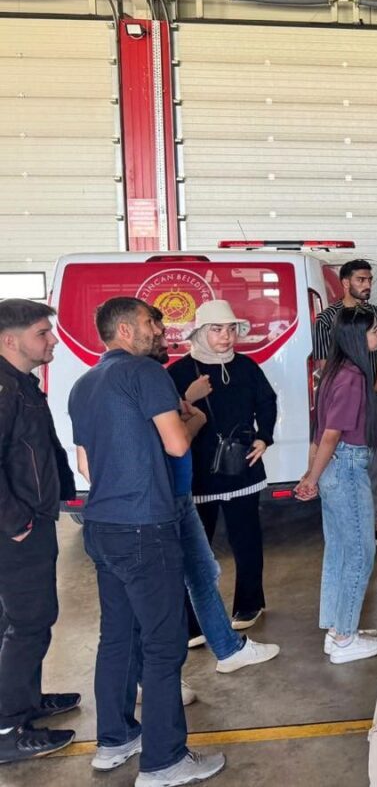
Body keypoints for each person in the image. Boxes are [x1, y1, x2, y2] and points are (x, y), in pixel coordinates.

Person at [69, 297, 224, 784]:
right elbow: (177, 443)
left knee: (118, 637)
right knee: (163, 644)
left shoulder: (83, 385)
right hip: (145, 526)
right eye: (150, 322)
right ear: (124, 331)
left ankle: (114, 740)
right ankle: (164, 760)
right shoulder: (146, 374)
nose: (160, 328)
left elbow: (85, 466)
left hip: (103, 525)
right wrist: (191, 417)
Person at [153, 304, 281, 676]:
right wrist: (189, 397)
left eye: (230, 329)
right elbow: (165, 420)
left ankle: (249, 604)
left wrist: (264, 438)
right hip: (197, 474)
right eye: (216, 329)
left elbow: (267, 402)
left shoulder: (246, 367)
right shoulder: (177, 373)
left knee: (247, 540)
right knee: (195, 552)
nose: (226, 336)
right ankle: (192, 624)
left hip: (242, 467)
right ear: (198, 333)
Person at [0, 299, 79, 765]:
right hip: (17, 528)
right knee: (30, 621)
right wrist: (19, 523)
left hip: (29, 519)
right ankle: (9, 728)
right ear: (10, 340)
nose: (51, 340)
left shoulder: (20, 383)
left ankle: (24, 703)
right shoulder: (5, 389)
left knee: (17, 622)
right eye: (41, 333)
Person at [294, 307, 377, 664]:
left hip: (334, 467)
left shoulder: (333, 372)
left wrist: (311, 474)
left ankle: (338, 630)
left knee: (339, 552)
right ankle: (346, 638)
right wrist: (312, 479)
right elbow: (331, 434)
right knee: (361, 554)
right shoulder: (353, 378)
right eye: (374, 331)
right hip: (347, 469)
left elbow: (319, 432)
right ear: (356, 338)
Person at [313, 259, 377, 552]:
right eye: (361, 280)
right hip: (344, 401)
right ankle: (351, 529)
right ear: (345, 283)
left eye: (369, 280)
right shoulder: (327, 319)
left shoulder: (375, 313)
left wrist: (374, 391)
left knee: (375, 466)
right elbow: (323, 364)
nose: (367, 285)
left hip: (371, 401)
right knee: (345, 463)